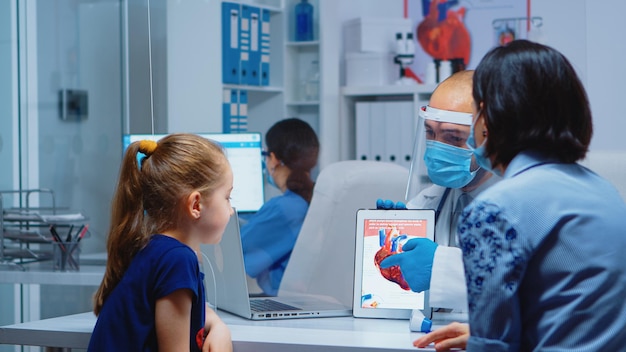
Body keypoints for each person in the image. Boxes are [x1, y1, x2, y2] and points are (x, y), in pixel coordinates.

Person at [416, 40, 626, 351]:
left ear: (489, 118)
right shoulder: (605, 192)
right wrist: (480, 331)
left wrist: (485, 336)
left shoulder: (496, 210)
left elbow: (494, 347)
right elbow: (572, 309)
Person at [88, 134, 233, 352]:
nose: (231, 209)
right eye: (227, 197)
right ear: (196, 205)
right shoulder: (177, 260)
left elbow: (184, 311)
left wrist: (218, 326)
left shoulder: (155, 250)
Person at [378, 70, 500, 313]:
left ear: (489, 137)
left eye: (453, 138)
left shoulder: (523, 206)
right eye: (430, 133)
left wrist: (443, 269)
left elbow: (525, 289)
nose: (437, 148)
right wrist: (394, 238)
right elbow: (397, 296)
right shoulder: (426, 203)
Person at [241, 118, 320, 296]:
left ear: (274, 159)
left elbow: (235, 254)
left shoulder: (284, 207)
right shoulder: (316, 199)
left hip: (284, 303)